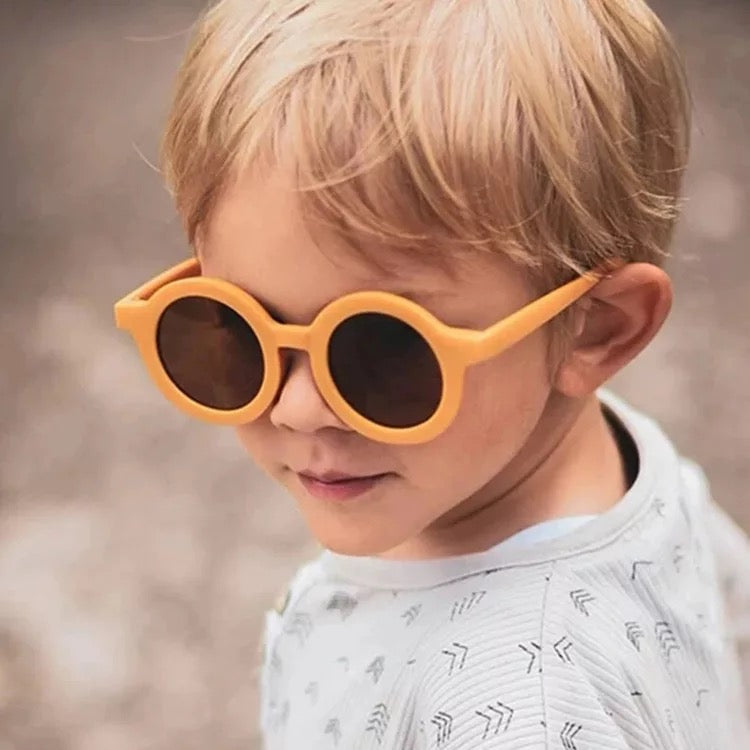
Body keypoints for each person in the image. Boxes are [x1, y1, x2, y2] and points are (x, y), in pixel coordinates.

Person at [114, 0, 750, 747]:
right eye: (233, 325)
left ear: (598, 328)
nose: (297, 407)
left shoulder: (524, 713)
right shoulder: (619, 465)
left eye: (383, 349)